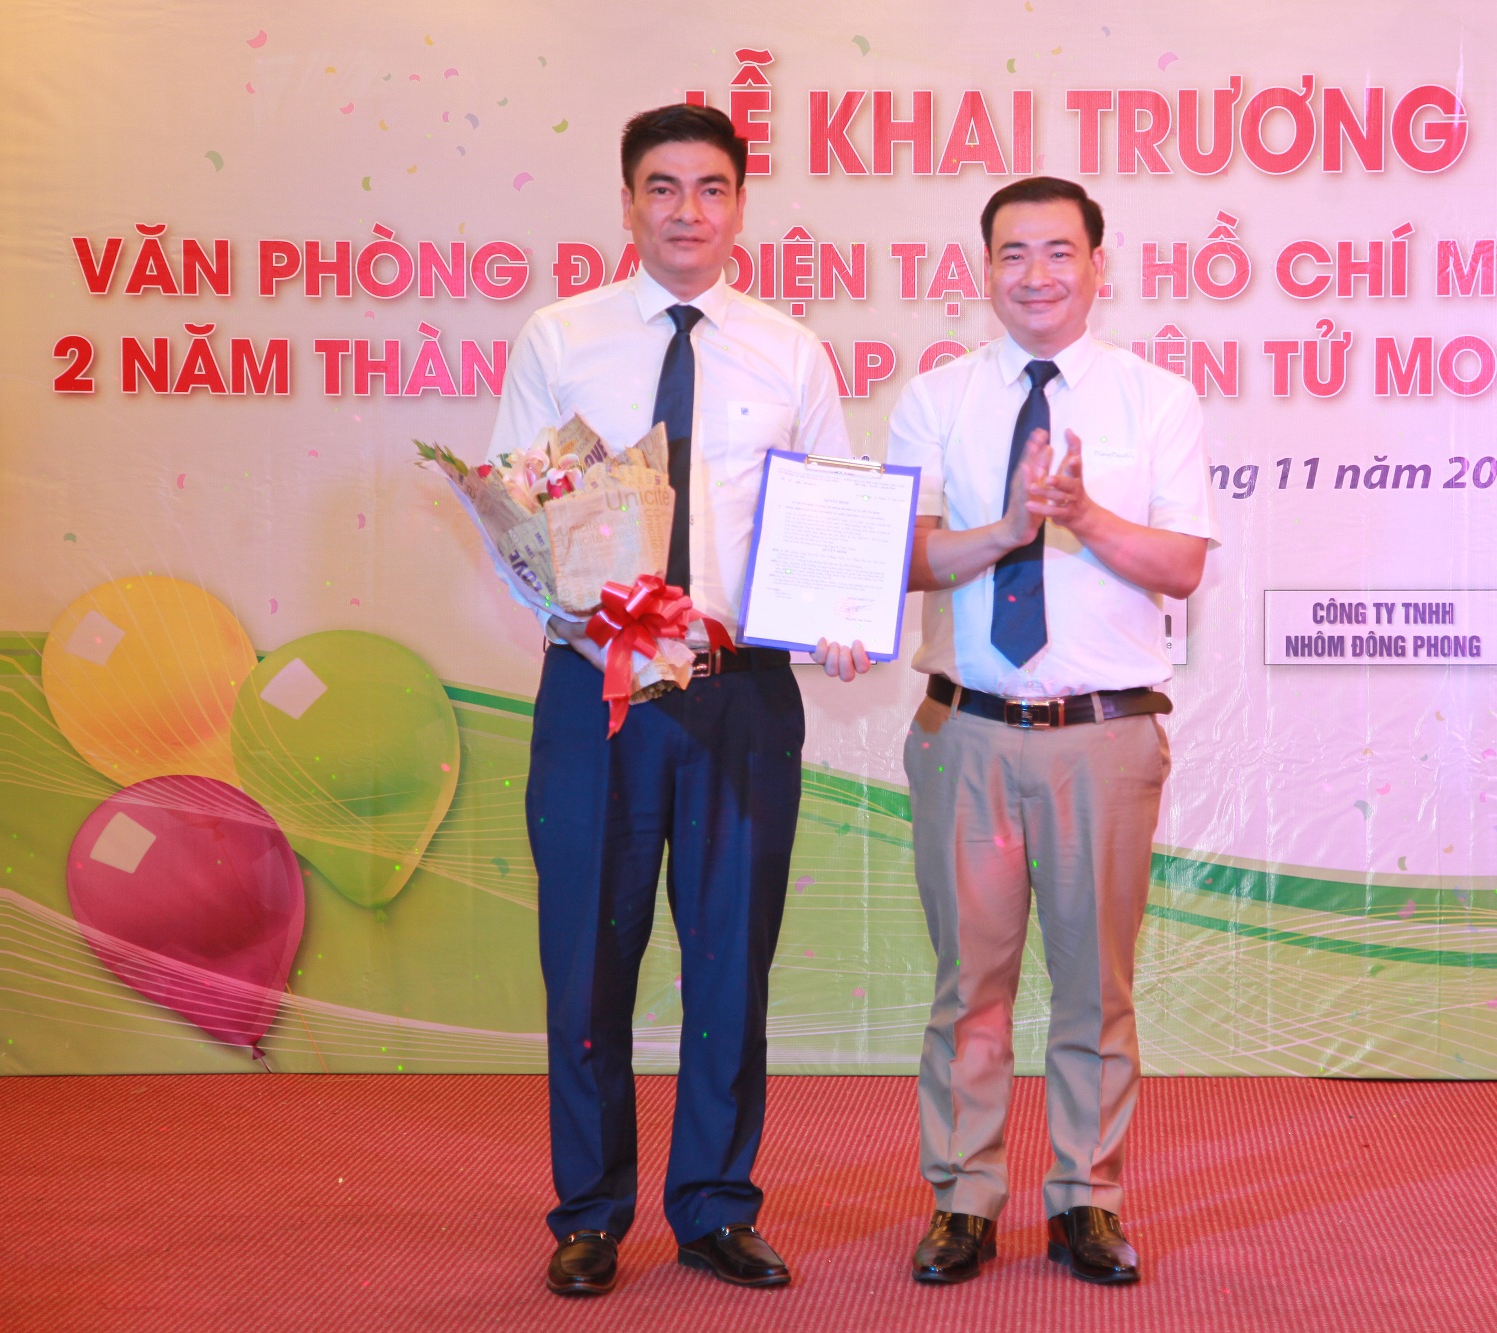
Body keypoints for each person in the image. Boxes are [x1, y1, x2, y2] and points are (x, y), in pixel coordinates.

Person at [486, 103, 872, 1299]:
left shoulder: (790, 353)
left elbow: (832, 516)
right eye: (661, 188)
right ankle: (588, 1212)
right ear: (625, 203)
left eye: (710, 188)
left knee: (727, 964)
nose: (686, 212)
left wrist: (842, 615)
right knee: (586, 960)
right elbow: (516, 519)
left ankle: (713, 1204)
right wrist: (583, 616)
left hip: (739, 700)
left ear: (740, 206)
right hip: (596, 693)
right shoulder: (560, 338)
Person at [885, 176, 1215, 1286]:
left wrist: (1081, 516)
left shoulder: (1155, 399)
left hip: (1102, 742)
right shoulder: (936, 398)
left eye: (1059, 252)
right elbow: (903, 556)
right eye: (1013, 253)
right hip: (967, 733)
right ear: (984, 268)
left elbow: (1181, 563)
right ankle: (962, 1200)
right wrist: (1007, 530)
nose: (1036, 275)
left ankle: (1086, 1199)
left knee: (1094, 986)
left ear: (1097, 265)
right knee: (968, 989)